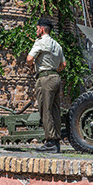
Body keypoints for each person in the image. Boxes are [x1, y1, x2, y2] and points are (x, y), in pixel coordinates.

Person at [26, 18, 66, 153]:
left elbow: (29, 58)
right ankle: (56, 142)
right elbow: (63, 65)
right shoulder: (57, 45)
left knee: (45, 110)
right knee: (55, 110)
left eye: (37, 29)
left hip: (45, 78)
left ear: (41, 29)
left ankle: (50, 142)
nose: (36, 31)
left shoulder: (41, 42)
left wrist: (32, 65)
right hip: (56, 77)